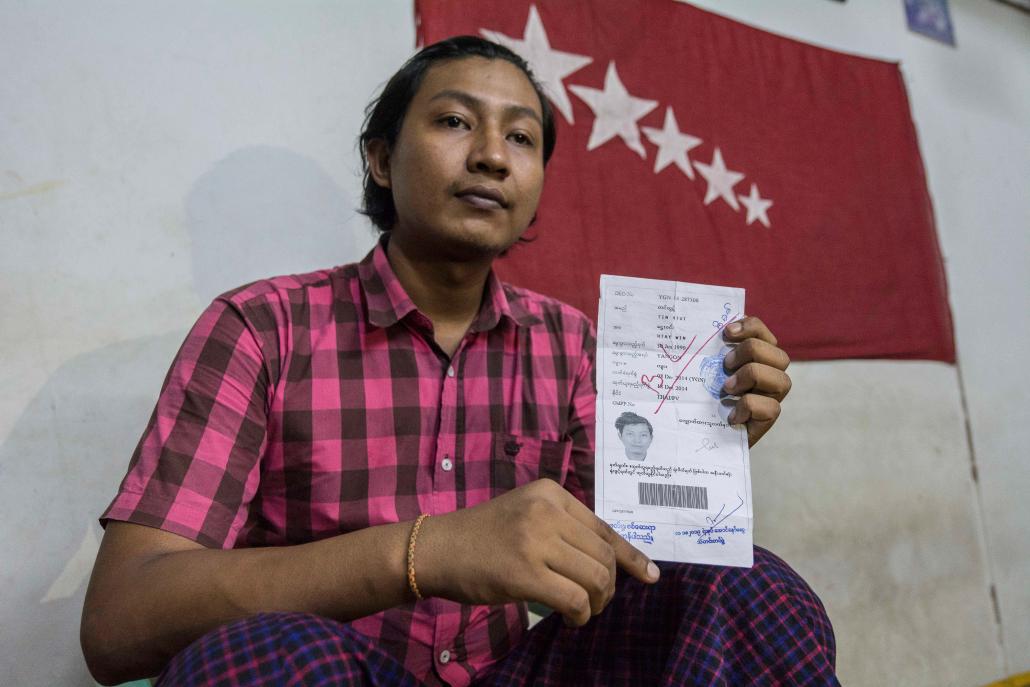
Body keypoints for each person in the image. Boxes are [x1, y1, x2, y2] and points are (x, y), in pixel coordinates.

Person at [80, 36, 835, 686]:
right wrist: (427, 551)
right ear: (380, 159)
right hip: (337, 668)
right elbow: (119, 621)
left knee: (751, 588)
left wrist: (701, 445)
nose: (490, 157)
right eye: (453, 121)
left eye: (521, 138)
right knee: (271, 656)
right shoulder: (262, 328)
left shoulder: (565, 341)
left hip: (514, 671)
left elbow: (629, 559)